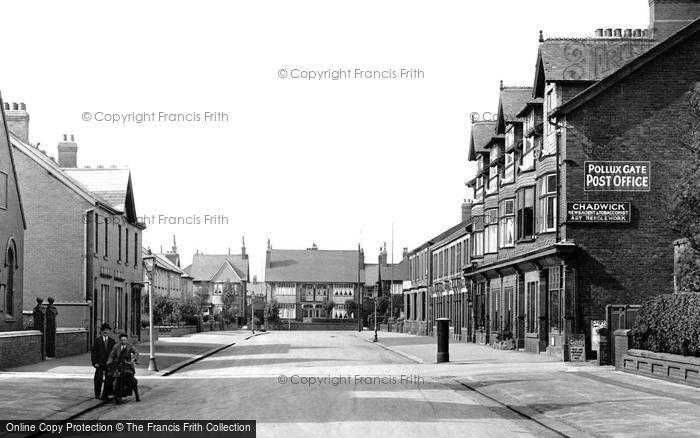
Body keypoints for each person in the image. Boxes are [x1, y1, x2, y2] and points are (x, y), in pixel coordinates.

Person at [107, 333, 140, 404]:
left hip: (127, 365)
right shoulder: (116, 346)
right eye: (121, 340)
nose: (123, 341)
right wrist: (109, 361)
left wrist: (133, 360)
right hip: (117, 364)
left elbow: (136, 352)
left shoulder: (129, 346)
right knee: (111, 376)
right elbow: (111, 355)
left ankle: (137, 395)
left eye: (124, 340)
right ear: (119, 340)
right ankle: (112, 393)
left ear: (127, 340)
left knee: (131, 378)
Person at [91, 323, 116, 400]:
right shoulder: (97, 341)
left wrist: (112, 362)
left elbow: (114, 353)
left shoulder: (112, 341)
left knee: (109, 379)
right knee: (98, 379)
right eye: (104, 330)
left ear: (109, 332)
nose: (106, 331)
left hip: (108, 364)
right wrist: (95, 363)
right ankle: (97, 394)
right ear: (101, 331)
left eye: (107, 330)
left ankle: (106, 394)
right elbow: (94, 352)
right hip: (99, 363)